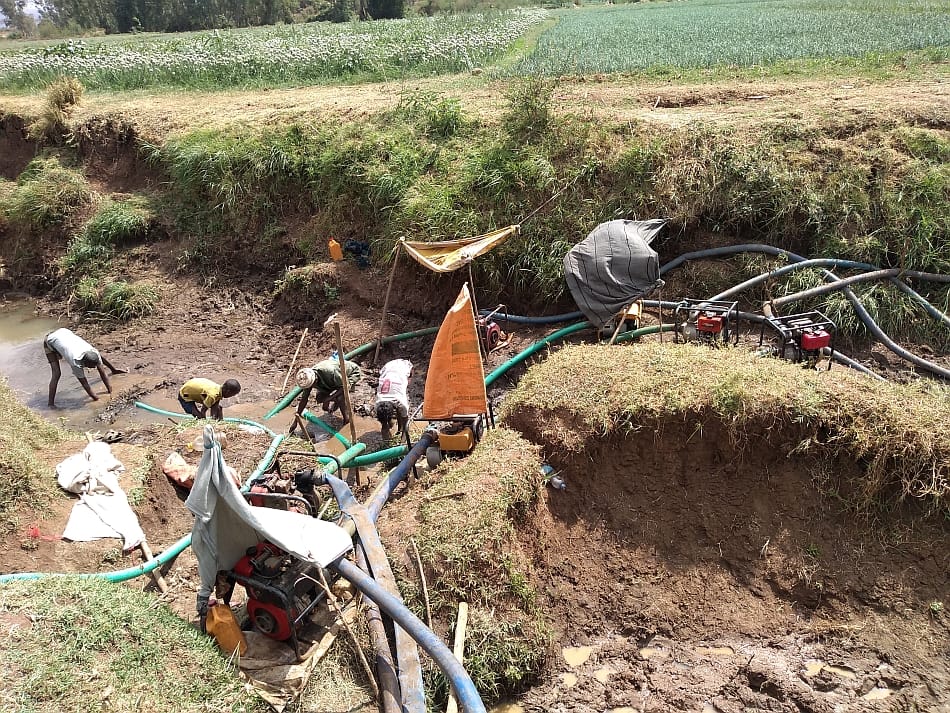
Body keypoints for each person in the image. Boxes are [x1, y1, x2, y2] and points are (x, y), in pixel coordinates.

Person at [44, 327, 126, 407]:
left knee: (98, 363)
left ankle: (113, 370)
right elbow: (85, 384)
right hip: (50, 340)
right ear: (84, 363)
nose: (94, 368)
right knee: (56, 373)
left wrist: (110, 391)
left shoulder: (94, 352)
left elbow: (103, 373)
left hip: (64, 333)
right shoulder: (75, 362)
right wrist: (97, 400)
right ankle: (50, 404)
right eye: (91, 367)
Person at [289, 357, 362, 435]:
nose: (312, 387)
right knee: (320, 398)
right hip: (331, 381)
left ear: (315, 380)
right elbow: (304, 400)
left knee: (340, 397)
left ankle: (346, 418)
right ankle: (336, 403)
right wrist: (296, 421)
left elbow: (344, 386)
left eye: (313, 385)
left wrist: (329, 398)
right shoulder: (307, 380)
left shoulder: (329, 371)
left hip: (349, 373)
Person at [374, 359, 413, 439]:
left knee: (401, 414)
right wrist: (385, 427)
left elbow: (406, 426)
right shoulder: (378, 404)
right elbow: (383, 426)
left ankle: (399, 429)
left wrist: (402, 443)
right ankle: (396, 428)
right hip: (387, 368)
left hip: (404, 366)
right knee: (385, 425)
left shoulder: (401, 403)